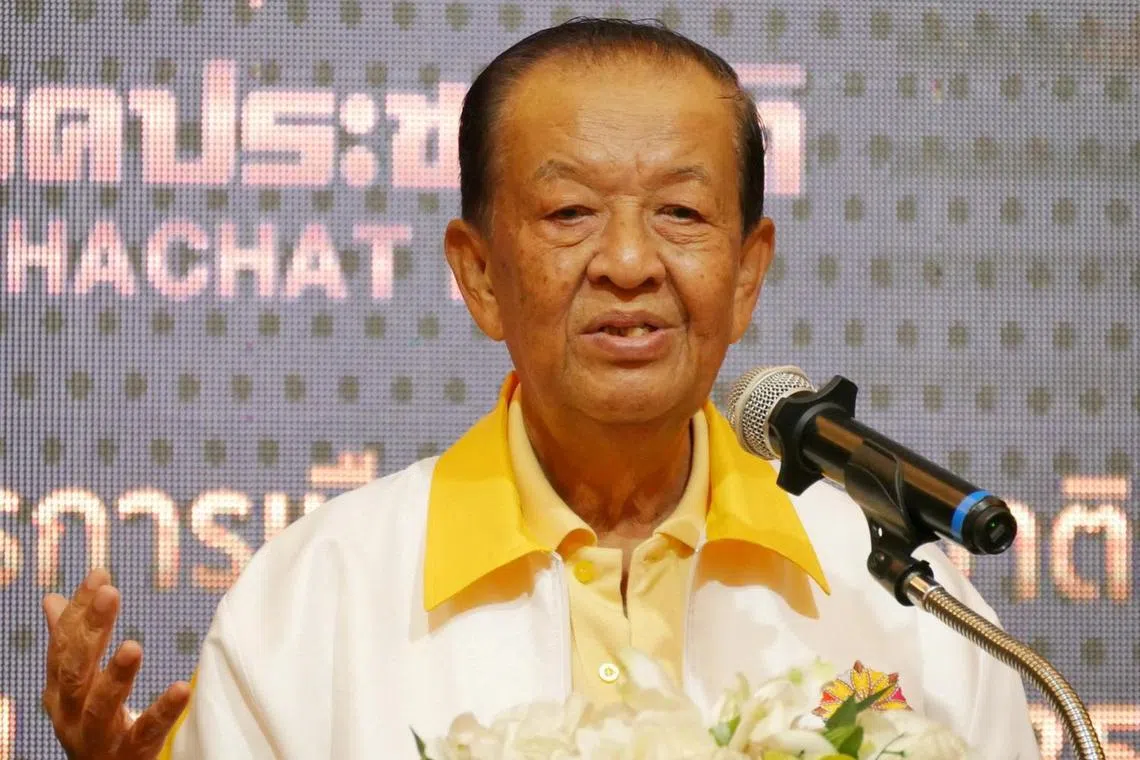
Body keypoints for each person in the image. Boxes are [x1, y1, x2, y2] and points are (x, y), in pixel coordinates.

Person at [41, 18, 1039, 759]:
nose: (629, 261)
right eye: (569, 211)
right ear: (479, 273)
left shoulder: (907, 597)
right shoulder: (314, 602)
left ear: (745, 274)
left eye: (682, 212)